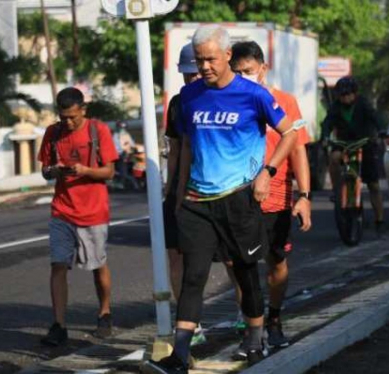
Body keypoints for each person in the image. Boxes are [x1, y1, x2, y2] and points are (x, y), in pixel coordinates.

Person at [143, 25, 297, 373]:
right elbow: (182, 149)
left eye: (211, 59)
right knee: (193, 276)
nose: (205, 66)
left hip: (239, 199)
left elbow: (289, 133)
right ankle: (179, 355)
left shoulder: (252, 94)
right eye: (200, 60)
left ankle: (256, 337)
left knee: (244, 272)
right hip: (198, 202)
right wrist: (176, 197)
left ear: (227, 55)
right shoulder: (190, 98)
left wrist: (267, 172)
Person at [228, 40, 312, 357]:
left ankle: (274, 319)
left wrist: (303, 196)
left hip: (277, 199)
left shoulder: (285, 102)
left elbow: (298, 148)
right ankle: (253, 329)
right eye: (237, 72)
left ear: (263, 68)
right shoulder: (229, 102)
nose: (244, 78)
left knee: (276, 265)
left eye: (248, 71)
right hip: (239, 199)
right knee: (243, 266)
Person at [37, 87, 118, 346]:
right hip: (62, 210)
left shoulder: (98, 131)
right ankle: (59, 325)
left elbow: (109, 172)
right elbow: (45, 171)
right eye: (64, 118)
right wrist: (55, 171)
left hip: (93, 211)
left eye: (73, 117)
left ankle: (104, 313)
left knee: (97, 265)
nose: (69, 122)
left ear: (83, 110)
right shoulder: (53, 133)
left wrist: (84, 170)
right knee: (58, 265)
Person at [163, 42, 206, 347]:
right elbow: (175, 149)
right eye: (186, 74)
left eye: (195, 73)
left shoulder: (218, 99)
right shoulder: (177, 103)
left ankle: (250, 320)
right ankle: (192, 326)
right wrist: (169, 190)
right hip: (182, 188)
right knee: (175, 256)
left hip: (215, 188)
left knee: (232, 262)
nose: (191, 79)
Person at [321, 76, 385, 234]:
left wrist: (381, 131)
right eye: (341, 95)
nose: (345, 97)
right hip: (344, 143)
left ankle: (379, 219)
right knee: (334, 158)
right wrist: (325, 137)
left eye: (348, 94)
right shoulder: (335, 107)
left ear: (355, 94)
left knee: (374, 185)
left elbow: (375, 117)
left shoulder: (363, 103)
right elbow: (328, 122)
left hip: (365, 142)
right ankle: (337, 190)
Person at [112, 121, 137, 189]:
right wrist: (122, 151)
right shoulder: (116, 135)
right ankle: (121, 183)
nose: (123, 130)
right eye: (121, 128)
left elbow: (132, 143)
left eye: (124, 128)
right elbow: (116, 147)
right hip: (121, 156)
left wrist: (133, 148)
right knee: (123, 170)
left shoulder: (127, 134)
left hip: (129, 155)